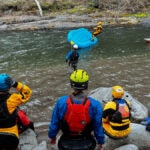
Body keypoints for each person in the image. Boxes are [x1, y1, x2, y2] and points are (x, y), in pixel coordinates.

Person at [48, 69, 105, 150]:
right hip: (87, 143)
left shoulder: (61, 102)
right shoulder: (95, 105)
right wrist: (100, 142)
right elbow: (98, 127)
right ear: (86, 84)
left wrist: (52, 137)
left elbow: (54, 124)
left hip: (65, 143)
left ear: (72, 84)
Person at [0, 73, 32, 150]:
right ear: (9, 87)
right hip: (11, 137)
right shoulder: (12, 99)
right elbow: (27, 92)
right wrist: (15, 84)